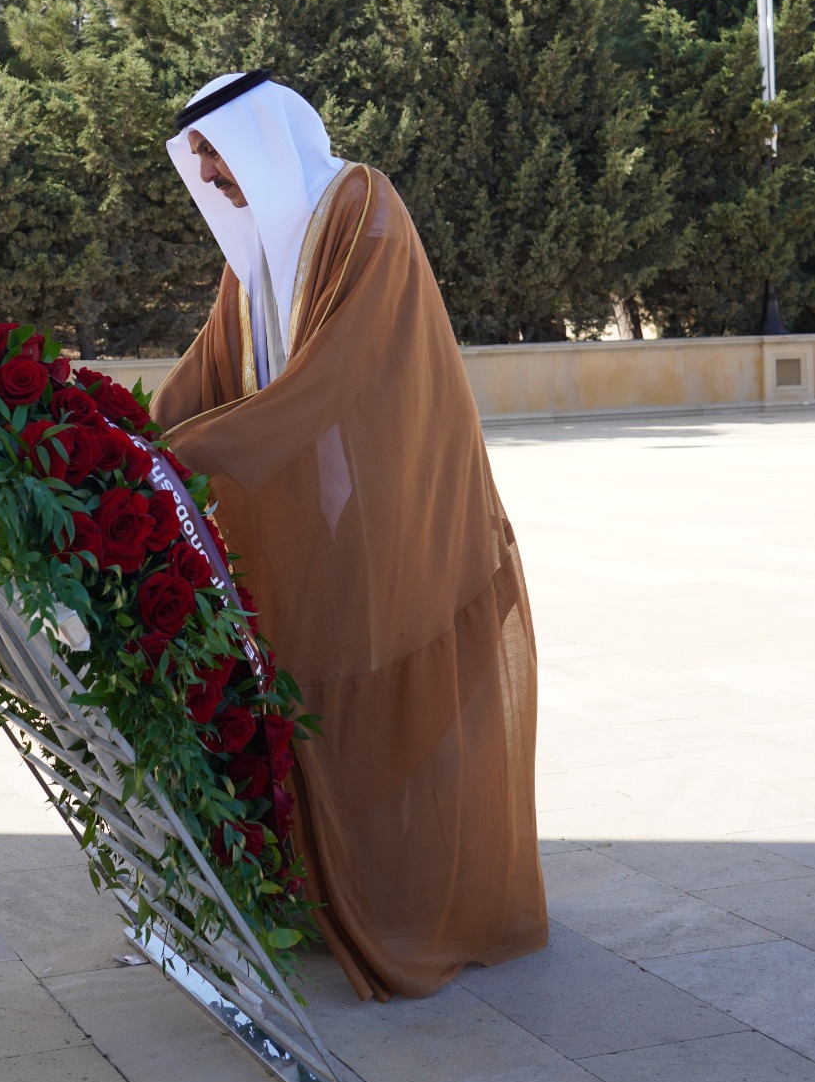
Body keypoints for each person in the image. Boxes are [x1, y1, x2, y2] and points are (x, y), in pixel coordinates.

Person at [152, 69, 547, 1001]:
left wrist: (185, 456)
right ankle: (334, 890)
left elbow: (330, 375)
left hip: (396, 507)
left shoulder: (362, 206)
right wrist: (122, 434)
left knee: (383, 693)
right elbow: (209, 369)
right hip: (313, 518)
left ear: (260, 137)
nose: (206, 173)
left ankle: (418, 903)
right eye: (197, 156)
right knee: (315, 697)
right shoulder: (255, 253)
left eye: (214, 149)